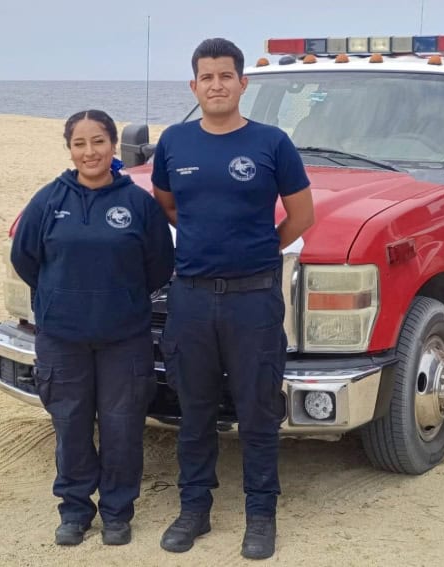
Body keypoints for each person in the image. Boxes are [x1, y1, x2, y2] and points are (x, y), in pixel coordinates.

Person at [152, 38, 315, 560]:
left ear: (243, 83)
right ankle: (193, 510)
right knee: (195, 410)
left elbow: (302, 216)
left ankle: (260, 516)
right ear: (193, 85)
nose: (216, 85)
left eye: (226, 76)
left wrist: (259, 250)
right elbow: (169, 206)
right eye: (207, 77)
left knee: (258, 412)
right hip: (192, 299)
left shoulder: (272, 143)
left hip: (254, 300)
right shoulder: (174, 142)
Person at [10, 109, 174, 547]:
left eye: (98, 141)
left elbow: (159, 265)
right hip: (63, 339)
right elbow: (25, 259)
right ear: (69, 149)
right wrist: (61, 299)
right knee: (71, 425)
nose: (90, 152)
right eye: (79, 143)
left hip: (125, 339)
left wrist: (119, 298)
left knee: (123, 428)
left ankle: (118, 512)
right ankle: (75, 510)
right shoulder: (48, 201)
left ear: (113, 146)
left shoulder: (138, 203)